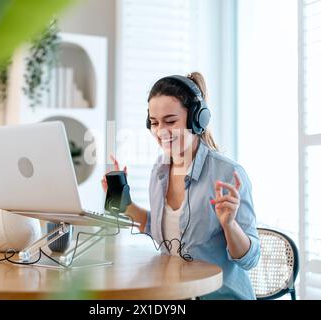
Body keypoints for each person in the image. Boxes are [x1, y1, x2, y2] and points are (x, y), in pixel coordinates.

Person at [102, 72, 260, 300]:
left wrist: (230, 224)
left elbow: (250, 260)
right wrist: (123, 202)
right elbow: (162, 231)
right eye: (154, 123)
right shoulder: (159, 170)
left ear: (197, 119)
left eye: (170, 121)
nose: (160, 131)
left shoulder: (227, 174)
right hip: (175, 295)